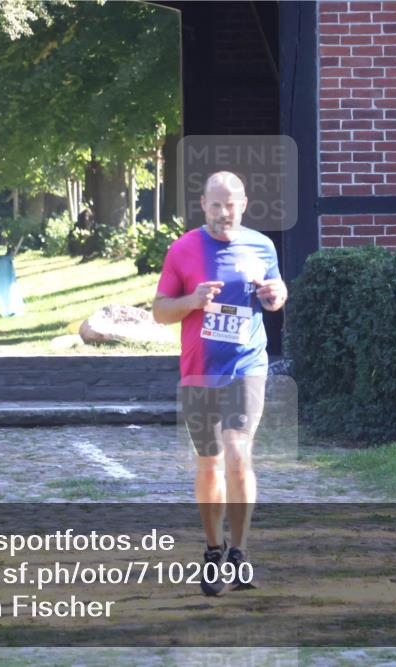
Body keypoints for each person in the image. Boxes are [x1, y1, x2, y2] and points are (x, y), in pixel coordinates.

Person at [152, 171, 288, 596]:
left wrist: (274, 294)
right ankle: (214, 550)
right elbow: (159, 311)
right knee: (209, 461)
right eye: (216, 205)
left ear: (244, 204)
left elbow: (277, 289)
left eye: (231, 204)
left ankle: (240, 553)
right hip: (199, 370)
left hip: (247, 363)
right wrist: (192, 301)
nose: (223, 212)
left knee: (237, 450)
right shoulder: (183, 249)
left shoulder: (261, 245)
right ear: (203, 204)